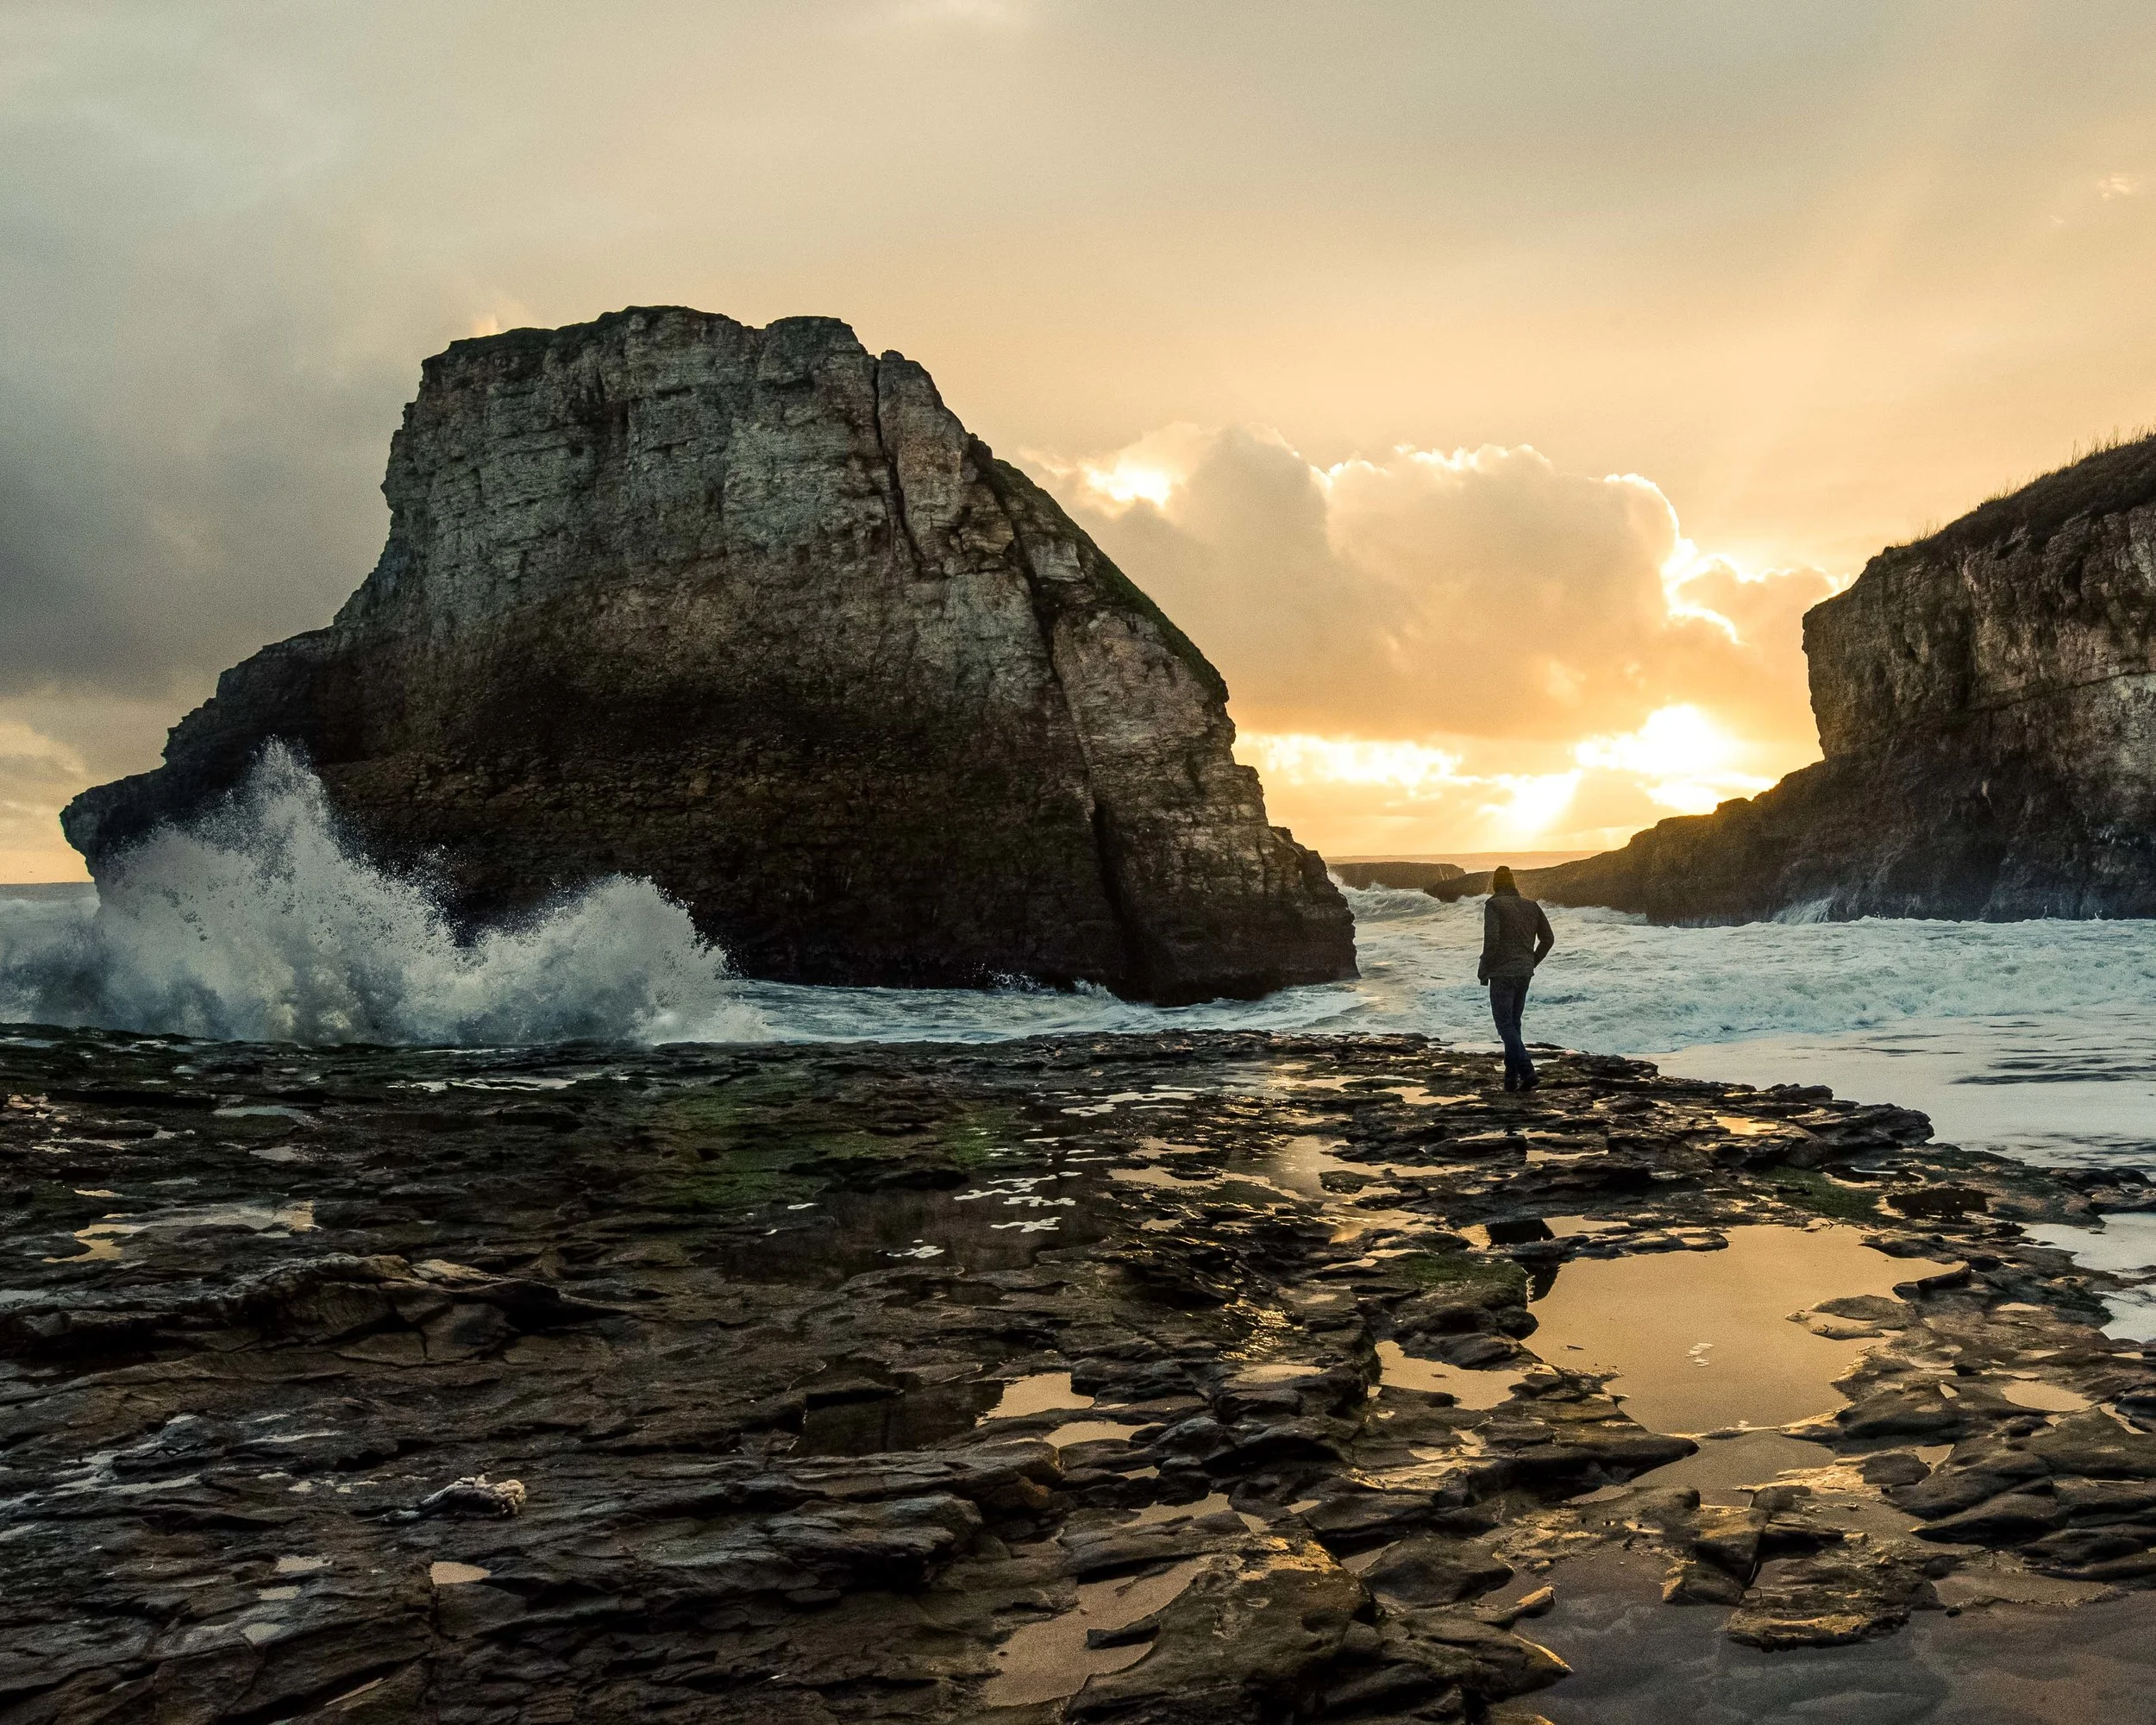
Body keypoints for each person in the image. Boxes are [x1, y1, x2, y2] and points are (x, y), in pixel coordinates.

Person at [1476, 865, 1554, 1092]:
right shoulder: (1532, 905)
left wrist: (1484, 968)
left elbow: (1492, 941)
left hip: (1502, 973)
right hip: (1524, 973)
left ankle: (1528, 1073)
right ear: (1513, 884)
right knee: (1514, 1024)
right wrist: (1532, 961)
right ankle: (1510, 1080)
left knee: (1505, 1026)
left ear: (1495, 884)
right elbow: (1548, 939)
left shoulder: (1493, 905)